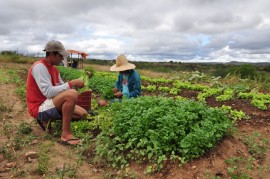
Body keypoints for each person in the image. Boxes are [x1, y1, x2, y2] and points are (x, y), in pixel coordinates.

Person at [26, 40, 88, 145]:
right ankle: (66, 135)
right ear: (51, 54)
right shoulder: (39, 67)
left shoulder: (54, 69)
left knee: (83, 114)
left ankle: (50, 120)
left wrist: (75, 85)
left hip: (50, 102)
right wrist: (71, 84)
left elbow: (61, 88)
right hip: (39, 106)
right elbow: (48, 93)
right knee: (71, 94)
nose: (62, 58)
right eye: (60, 56)